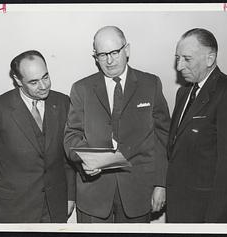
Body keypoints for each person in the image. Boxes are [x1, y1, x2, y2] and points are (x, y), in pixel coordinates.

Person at [64, 26, 170, 223]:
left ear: (127, 50)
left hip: (138, 192)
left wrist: (161, 184)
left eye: (114, 52)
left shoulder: (151, 84)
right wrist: (85, 159)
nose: (109, 60)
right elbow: (71, 136)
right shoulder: (81, 88)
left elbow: (163, 138)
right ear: (95, 57)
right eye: (102, 55)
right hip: (93, 195)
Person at [0, 50, 75, 223]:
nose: (43, 86)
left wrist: (70, 195)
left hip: (56, 206)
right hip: (14, 207)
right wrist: (10, 172)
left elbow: (68, 155)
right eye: (34, 82)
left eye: (46, 77)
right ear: (18, 80)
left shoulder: (63, 102)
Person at [166, 28, 227, 223]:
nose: (179, 66)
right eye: (177, 58)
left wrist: (214, 223)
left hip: (206, 214)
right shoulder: (183, 94)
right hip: (178, 209)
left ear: (210, 59)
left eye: (187, 58)